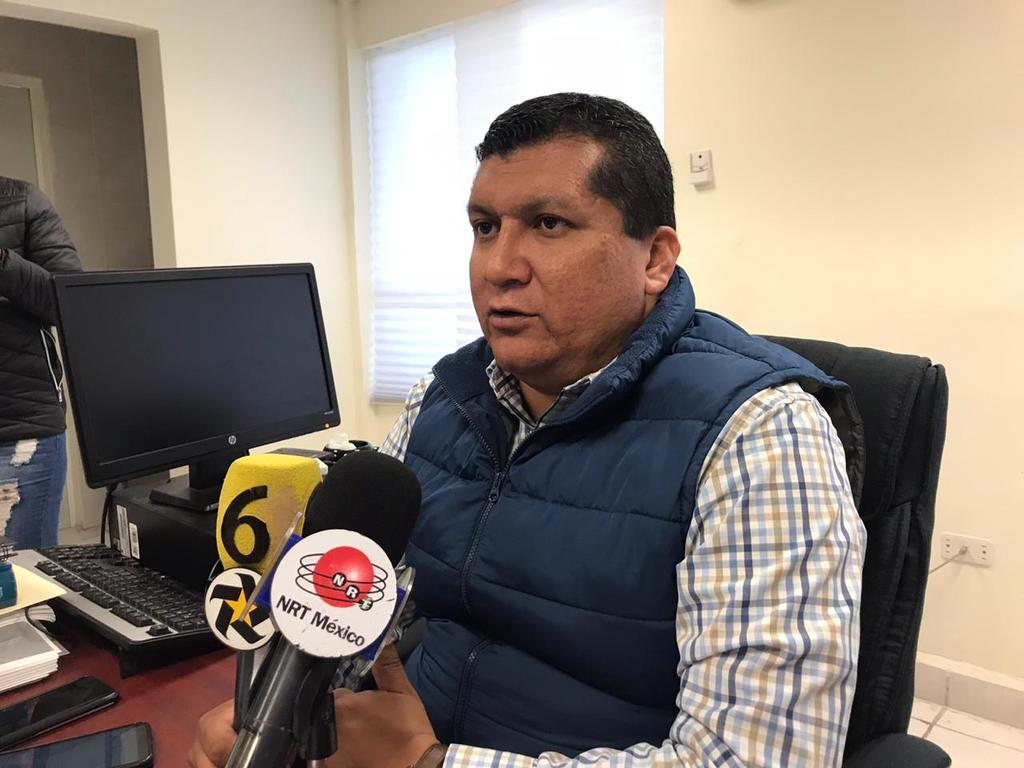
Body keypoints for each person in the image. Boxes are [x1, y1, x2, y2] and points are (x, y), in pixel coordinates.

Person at [190, 93, 865, 768]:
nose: (498, 267)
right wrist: (282, 717)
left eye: (548, 224)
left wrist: (429, 764)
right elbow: (351, 607)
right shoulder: (444, 397)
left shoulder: (760, 432)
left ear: (655, 259)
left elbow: (751, 759)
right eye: (485, 227)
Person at [0, 176, 82, 549]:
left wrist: (3, 263)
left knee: (21, 575)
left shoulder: (22, 202)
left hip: (19, 432)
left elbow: (69, 303)